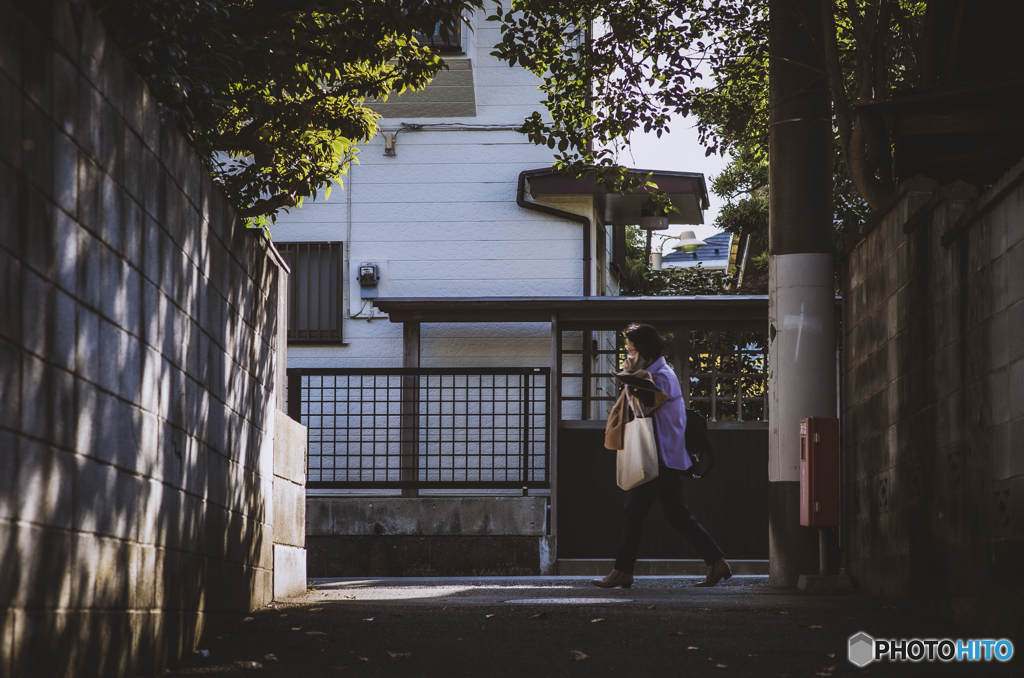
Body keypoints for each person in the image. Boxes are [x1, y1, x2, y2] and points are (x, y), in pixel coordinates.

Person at [592, 323, 731, 589]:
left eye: (631, 350)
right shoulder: (650, 374)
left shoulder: (662, 376)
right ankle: (717, 561)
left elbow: (643, 410)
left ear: (644, 351)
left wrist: (631, 380)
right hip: (666, 457)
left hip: (662, 457)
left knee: (633, 511)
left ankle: (622, 572)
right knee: (678, 515)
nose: (628, 355)